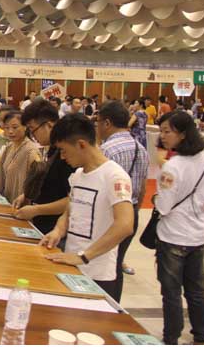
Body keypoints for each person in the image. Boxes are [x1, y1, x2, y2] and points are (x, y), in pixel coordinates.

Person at [40, 114, 134, 300]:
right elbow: (69, 211)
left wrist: (84, 256)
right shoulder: (77, 175)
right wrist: (58, 230)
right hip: (71, 267)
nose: (62, 157)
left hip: (98, 275)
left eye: (64, 150)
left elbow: (125, 225)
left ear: (81, 144)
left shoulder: (114, 176)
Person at [154, 111, 204, 345]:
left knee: (171, 293)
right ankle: (200, 334)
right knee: (195, 291)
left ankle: (171, 337)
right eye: (161, 131)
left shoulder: (172, 167)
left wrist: (157, 199)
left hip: (173, 236)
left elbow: (164, 206)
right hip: (197, 236)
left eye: (167, 131)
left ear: (183, 134)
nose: (163, 136)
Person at [96, 101, 150, 302]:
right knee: (117, 264)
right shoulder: (140, 149)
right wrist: (133, 211)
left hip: (108, 214)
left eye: (98, 122)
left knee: (102, 264)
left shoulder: (106, 150)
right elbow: (142, 187)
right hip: (131, 212)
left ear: (107, 123)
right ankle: (114, 307)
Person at [12, 99, 74, 235]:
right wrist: (26, 196)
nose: (33, 136)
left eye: (33, 130)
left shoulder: (68, 154)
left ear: (49, 125)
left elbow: (73, 199)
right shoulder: (53, 148)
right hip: (43, 226)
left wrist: (37, 210)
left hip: (57, 230)